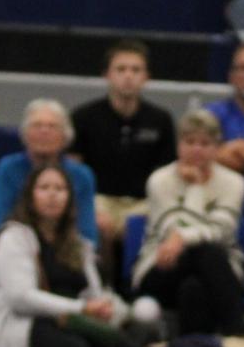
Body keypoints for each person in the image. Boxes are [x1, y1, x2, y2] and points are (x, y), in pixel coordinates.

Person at [0, 164, 141, 347]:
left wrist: (105, 308)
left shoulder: (79, 243)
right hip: (25, 323)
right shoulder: (14, 237)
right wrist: (80, 308)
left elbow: (95, 293)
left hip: (74, 323)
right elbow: (20, 296)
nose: (53, 195)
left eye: (60, 188)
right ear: (31, 196)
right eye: (44, 188)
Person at [134, 110, 244, 337]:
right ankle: (237, 335)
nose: (197, 149)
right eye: (190, 142)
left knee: (194, 286)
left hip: (221, 267)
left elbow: (221, 231)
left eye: (205, 143)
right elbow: (173, 229)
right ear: (178, 145)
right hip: (162, 263)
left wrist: (182, 236)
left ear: (217, 148)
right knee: (205, 250)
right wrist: (196, 187)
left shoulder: (235, 183)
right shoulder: (159, 180)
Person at [71, 38, 176, 254]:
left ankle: (136, 284)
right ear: (107, 75)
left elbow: (167, 174)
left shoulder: (161, 120)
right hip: (99, 200)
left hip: (143, 202)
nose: (128, 76)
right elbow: (73, 172)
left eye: (136, 70)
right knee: (96, 223)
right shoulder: (83, 117)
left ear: (146, 77)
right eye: (121, 69)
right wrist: (89, 210)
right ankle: (102, 283)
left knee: (154, 223)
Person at [0, 98, 99, 243]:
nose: (44, 131)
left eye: (52, 126)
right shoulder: (8, 168)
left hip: (66, 250)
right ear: (25, 134)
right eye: (37, 125)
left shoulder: (81, 176)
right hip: (15, 248)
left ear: (65, 136)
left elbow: (88, 234)